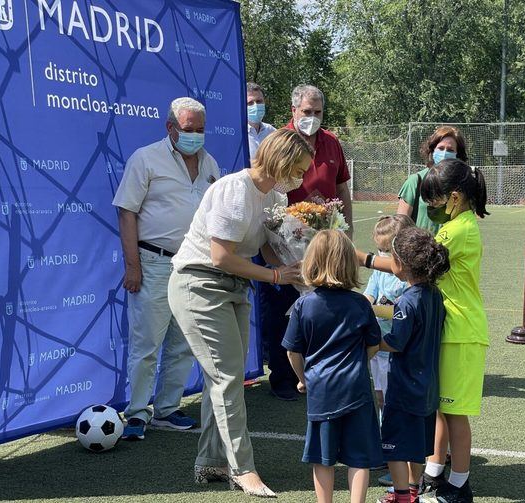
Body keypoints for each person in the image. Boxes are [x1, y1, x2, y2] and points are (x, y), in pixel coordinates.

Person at [167, 128, 309, 498]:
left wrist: (307, 283)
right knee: (229, 378)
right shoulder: (235, 189)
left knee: (222, 380)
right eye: (298, 169)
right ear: (280, 160)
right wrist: (276, 275)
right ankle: (243, 470)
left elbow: (274, 248)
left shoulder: (273, 195)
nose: (301, 178)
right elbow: (221, 256)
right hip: (199, 285)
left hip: (234, 289)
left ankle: (209, 463)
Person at [112, 97, 220, 440]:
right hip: (154, 262)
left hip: (193, 264)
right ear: (170, 127)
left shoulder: (210, 164)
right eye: (189, 130)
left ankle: (168, 409)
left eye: (201, 130)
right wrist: (133, 266)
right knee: (146, 344)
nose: (196, 136)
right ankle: (137, 414)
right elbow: (126, 211)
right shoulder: (145, 159)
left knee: (185, 341)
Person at [259, 84, 353, 401]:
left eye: (318, 113)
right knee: (282, 310)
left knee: (323, 308)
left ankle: (319, 373)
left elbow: (341, 190)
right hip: (282, 244)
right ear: (294, 111)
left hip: (324, 243)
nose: (312, 118)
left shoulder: (331, 143)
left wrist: (346, 231)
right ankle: (283, 377)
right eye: (306, 112)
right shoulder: (278, 141)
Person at [283, 230, 383, 503]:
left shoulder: (304, 305)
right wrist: (360, 362)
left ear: (311, 262)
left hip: (321, 390)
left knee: (322, 458)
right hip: (357, 389)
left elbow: (293, 351)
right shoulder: (361, 303)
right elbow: (374, 344)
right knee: (359, 457)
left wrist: (303, 378)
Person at [419, 159, 490, 503]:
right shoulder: (459, 223)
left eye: (435, 199)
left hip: (460, 331)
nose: (432, 206)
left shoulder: (456, 229)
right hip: (453, 328)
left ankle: (460, 486)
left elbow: (417, 266)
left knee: (455, 413)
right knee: (442, 409)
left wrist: (363, 258)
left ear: (456, 197)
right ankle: (434, 474)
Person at [374, 226, 449, 503]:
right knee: (418, 446)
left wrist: (372, 340)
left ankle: (401, 494)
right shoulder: (435, 294)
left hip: (405, 387)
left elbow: (396, 342)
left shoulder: (408, 301)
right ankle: (414, 490)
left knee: (394, 446)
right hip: (428, 385)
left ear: (400, 264)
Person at [363, 215, 413, 416]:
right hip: (377, 347)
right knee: (379, 396)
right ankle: (384, 436)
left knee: (394, 398)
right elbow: (369, 295)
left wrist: (373, 310)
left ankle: (394, 437)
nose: (381, 256)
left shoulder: (407, 278)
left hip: (396, 349)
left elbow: (404, 313)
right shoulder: (380, 272)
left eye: (386, 251)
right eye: (379, 250)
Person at [397, 126, 468, 234]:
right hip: (419, 249)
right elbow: (399, 227)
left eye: (450, 150)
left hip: (450, 249)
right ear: (432, 150)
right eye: (441, 148)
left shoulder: (462, 184)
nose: (444, 153)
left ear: (458, 155)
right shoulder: (415, 181)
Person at [247, 82, 276, 161]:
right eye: (250, 103)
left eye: (259, 101)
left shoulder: (272, 132)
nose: (256, 106)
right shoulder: (237, 133)